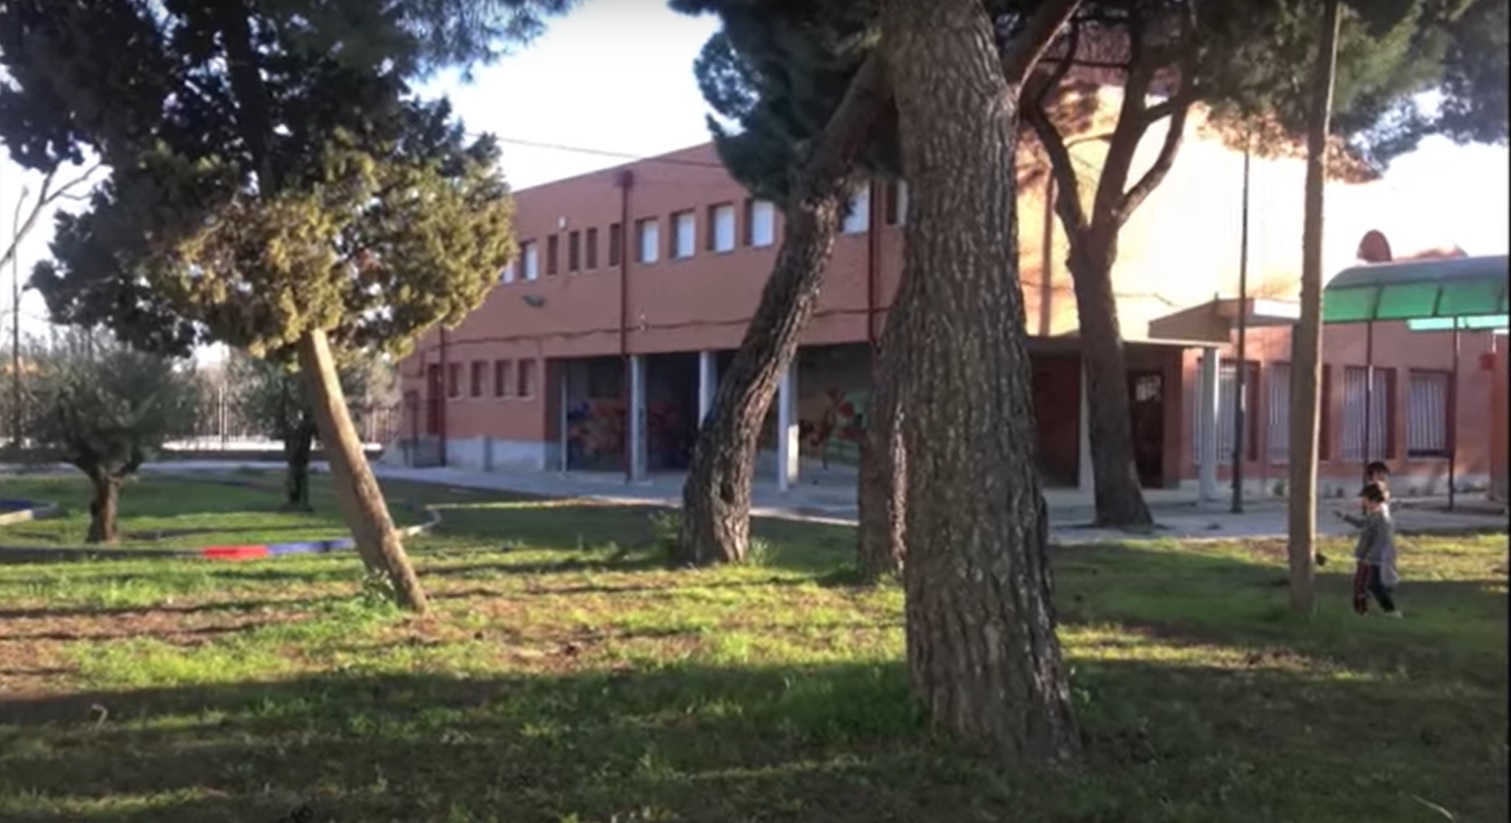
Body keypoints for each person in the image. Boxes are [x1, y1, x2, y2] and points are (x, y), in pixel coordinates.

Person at [1335, 482, 1401, 618]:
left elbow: (1382, 541)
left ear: (1375, 500)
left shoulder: (1383, 519)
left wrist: (1369, 558)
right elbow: (1362, 524)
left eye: (1365, 499)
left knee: (1369, 585)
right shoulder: (1374, 515)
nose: (1364, 503)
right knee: (1364, 584)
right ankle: (1363, 611)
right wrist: (1345, 517)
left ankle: (1387, 611)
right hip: (1366, 556)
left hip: (1372, 559)